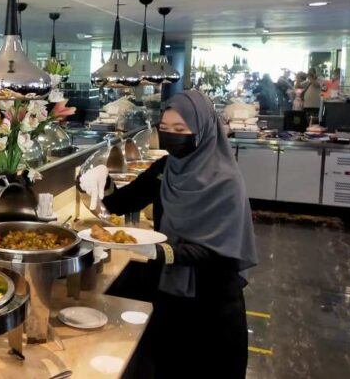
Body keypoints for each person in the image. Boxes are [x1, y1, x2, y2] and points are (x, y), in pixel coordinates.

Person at [80, 90, 257, 378]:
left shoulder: (226, 181)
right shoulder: (168, 168)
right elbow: (123, 202)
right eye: (164, 128)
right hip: (170, 297)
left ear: (203, 131)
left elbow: (221, 256)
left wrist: (161, 251)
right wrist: (97, 179)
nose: (171, 136)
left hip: (211, 307)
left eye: (180, 130)